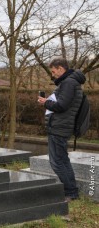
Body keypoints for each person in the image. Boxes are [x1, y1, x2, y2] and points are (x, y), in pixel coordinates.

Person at [37, 57, 84, 201]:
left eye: (53, 71)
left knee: (57, 161)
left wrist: (46, 102)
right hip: (59, 126)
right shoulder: (68, 82)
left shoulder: (69, 83)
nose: (53, 75)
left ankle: (70, 192)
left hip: (60, 127)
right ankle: (71, 191)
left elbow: (62, 106)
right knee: (61, 160)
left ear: (60, 69)